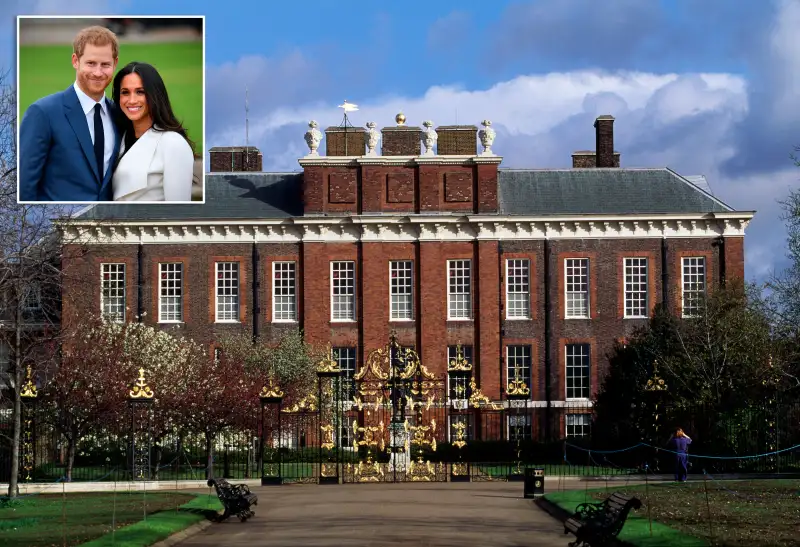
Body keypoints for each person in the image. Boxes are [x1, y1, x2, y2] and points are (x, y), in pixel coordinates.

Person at [19, 26, 122, 202]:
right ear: (75, 61)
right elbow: (24, 187)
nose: (98, 72)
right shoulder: (43, 112)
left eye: (105, 64)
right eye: (91, 63)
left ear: (115, 63)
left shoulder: (118, 114)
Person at [110, 61, 195, 201]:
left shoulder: (173, 143)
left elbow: (179, 211)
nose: (131, 100)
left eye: (140, 92)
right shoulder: (119, 137)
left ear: (154, 95)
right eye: (125, 92)